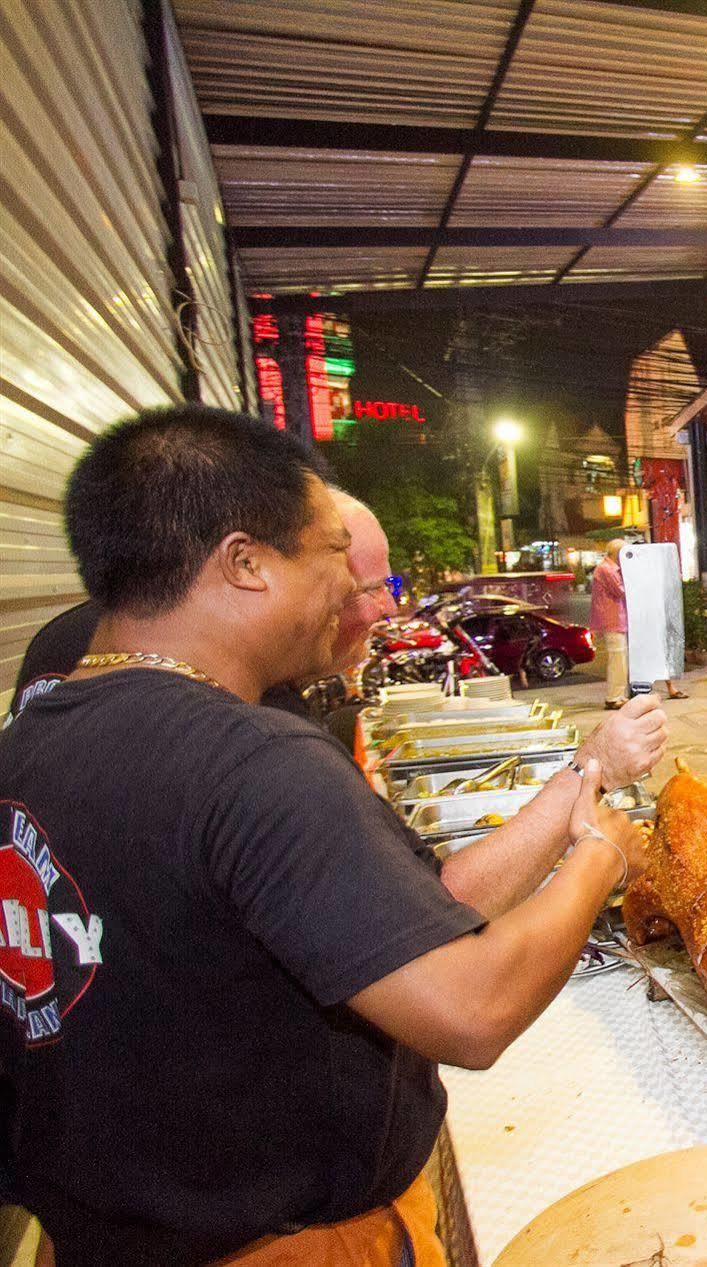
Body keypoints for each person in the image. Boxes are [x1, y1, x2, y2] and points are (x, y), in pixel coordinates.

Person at [0, 407, 664, 1262]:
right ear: (246, 563)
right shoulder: (251, 762)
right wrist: (600, 852)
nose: (352, 591)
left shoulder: (27, 744)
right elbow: (474, 1009)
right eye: (330, 557)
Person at [7, 489, 400, 740]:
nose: (390, 606)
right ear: (247, 564)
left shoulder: (111, 635)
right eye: (370, 587)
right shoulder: (252, 721)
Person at [591, 537, 630, 709]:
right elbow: (621, 591)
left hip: (615, 618)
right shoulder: (608, 570)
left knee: (620, 658)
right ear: (617, 553)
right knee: (617, 658)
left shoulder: (608, 568)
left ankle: (618, 694)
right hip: (612, 618)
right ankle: (614, 696)